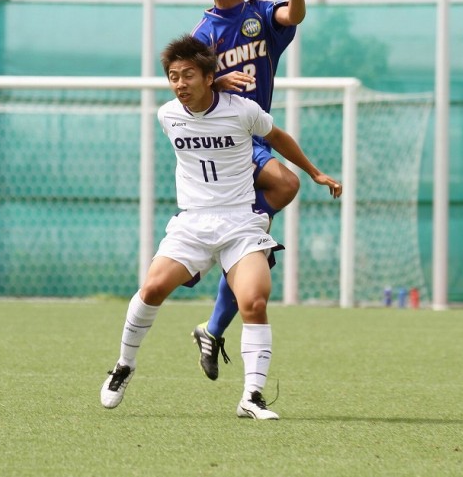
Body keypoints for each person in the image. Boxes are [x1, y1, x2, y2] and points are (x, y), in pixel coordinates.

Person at [100, 35, 342, 420]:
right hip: (192, 222)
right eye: (173, 77)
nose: (180, 84)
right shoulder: (167, 115)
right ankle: (124, 365)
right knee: (151, 288)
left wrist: (314, 173)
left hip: (240, 223)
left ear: (209, 77)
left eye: (188, 76)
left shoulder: (243, 111)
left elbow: (277, 137)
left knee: (255, 301)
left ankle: (252, 397)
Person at [190, 0, 334, 380]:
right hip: (226, 141)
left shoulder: (259, 15)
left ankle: (211, 329)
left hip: (254, 135)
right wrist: (216, 79)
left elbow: (291, 17)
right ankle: (223, 234)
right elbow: (190, 91)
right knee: (286, 185)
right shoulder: (201, 36)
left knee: (251, 262)